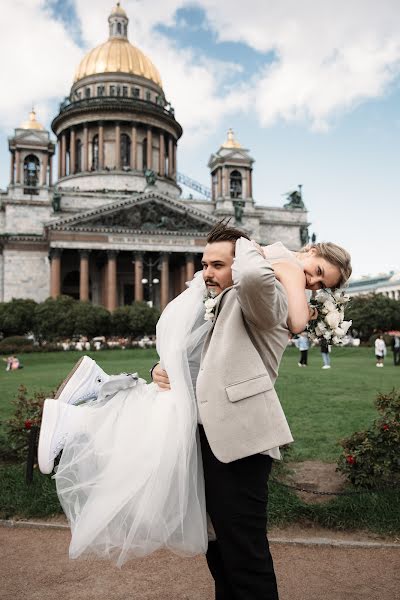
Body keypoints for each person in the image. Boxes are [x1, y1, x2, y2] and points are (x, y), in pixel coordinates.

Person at [38, 224, 351, 598]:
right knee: (219, 550)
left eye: (320, 282)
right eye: (316, 272)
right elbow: (210, 351)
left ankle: (85, 414)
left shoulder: (273, 288)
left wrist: (274, 256)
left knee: (245, 556)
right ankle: (88, 410)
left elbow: (260, 284)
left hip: (240, 438)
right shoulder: (235, 293)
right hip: (205, 428)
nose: (312, 282)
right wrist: (165, 366)